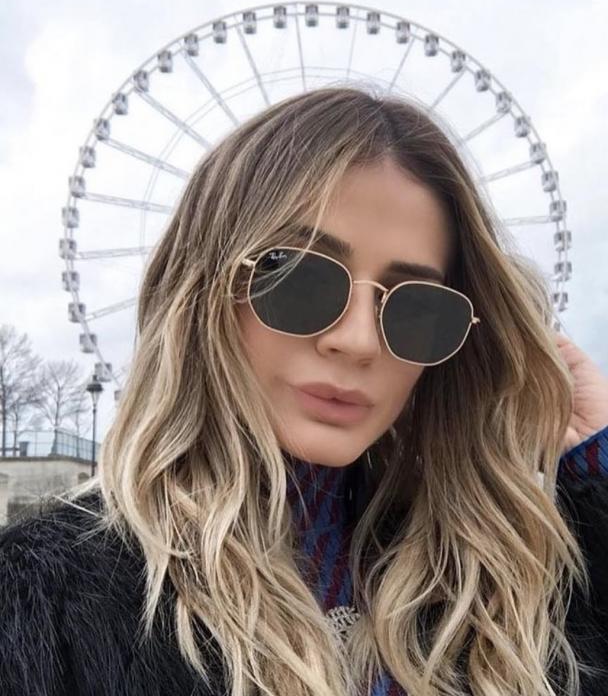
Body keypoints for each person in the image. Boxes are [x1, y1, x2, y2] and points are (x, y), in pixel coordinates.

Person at [1, 85, 608, 696]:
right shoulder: (41, 605)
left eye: (417, 308)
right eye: (297, 279)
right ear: (200, 293)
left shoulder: (503, 586)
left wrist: (594, 467)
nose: (358, 341)